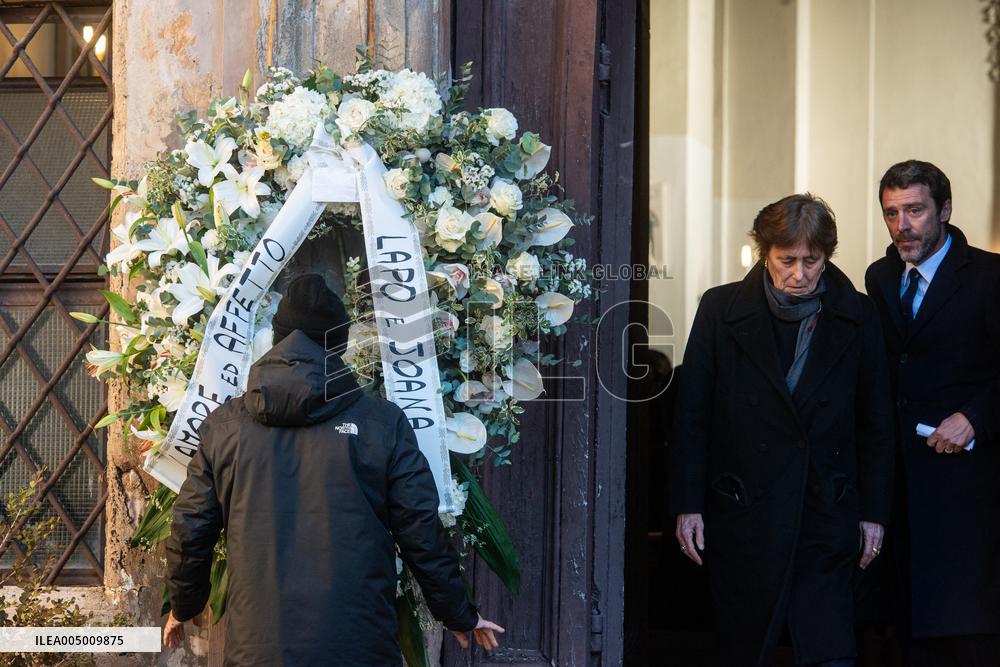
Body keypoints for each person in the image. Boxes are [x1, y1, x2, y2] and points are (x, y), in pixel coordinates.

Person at [162, 273, 504, 665]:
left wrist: (184, 605)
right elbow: (420, 530)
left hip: (259, 649)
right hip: (359, 646)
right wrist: (457, 613)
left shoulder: (225, 428)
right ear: (338, 345)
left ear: (277, 339)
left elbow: (191, 527)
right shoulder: (382, 423)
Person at [670, 194, 895, 667]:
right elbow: (692, 417)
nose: (798, 273)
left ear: (826, 257)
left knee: (829, 651)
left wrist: (874, 511)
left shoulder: (857, 315)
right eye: (785, 260)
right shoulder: (720, 309)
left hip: (826, 509)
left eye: (810, 261)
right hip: (743, 511)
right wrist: (687, 504)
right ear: (763, 252)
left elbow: (876, 423)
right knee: (746, 649)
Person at [864, 160, 1000, 666]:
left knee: (972, 639)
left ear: (944, 210)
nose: (902, 225)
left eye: (915, 210)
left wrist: (975, 417)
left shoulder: (989, 276)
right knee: (909, 637)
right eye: (891, 213)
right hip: (902, 490)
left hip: (970, 495)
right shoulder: (878, 277)